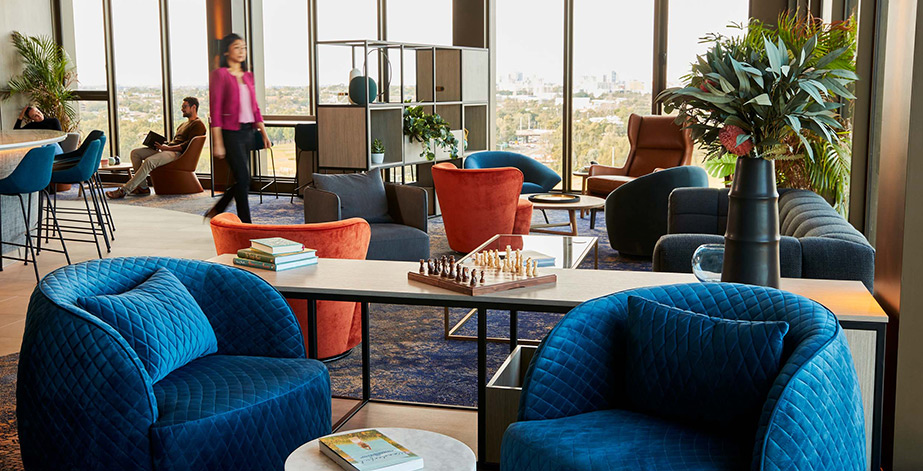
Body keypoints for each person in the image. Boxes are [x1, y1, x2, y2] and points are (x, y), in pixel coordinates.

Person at [203, 33, 270, 223]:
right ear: (226, 51)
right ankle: (246, 224)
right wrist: (218, 143)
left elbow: (255, 107)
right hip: (230, 133)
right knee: (244, 178)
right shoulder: (220, 75)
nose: (242, 51)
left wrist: (263, 133)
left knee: (242, 180)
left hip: (248, 131)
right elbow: (215, 109)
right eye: (237, 47)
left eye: (244, 47)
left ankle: (218, 209)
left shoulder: (249, 76)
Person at [106, 97, 206, 198]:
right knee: (135, 153)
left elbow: (187, 146)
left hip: (178, 155)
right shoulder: (183, 124)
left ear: (193, 107)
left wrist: (167, 148)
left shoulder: (198, 125)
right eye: (182, 107)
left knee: (149, 161)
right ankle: (143, 187)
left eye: (185, 107)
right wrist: (161, 145)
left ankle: (124, 190)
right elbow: (176, 142)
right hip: (169, 150)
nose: (182, 109)